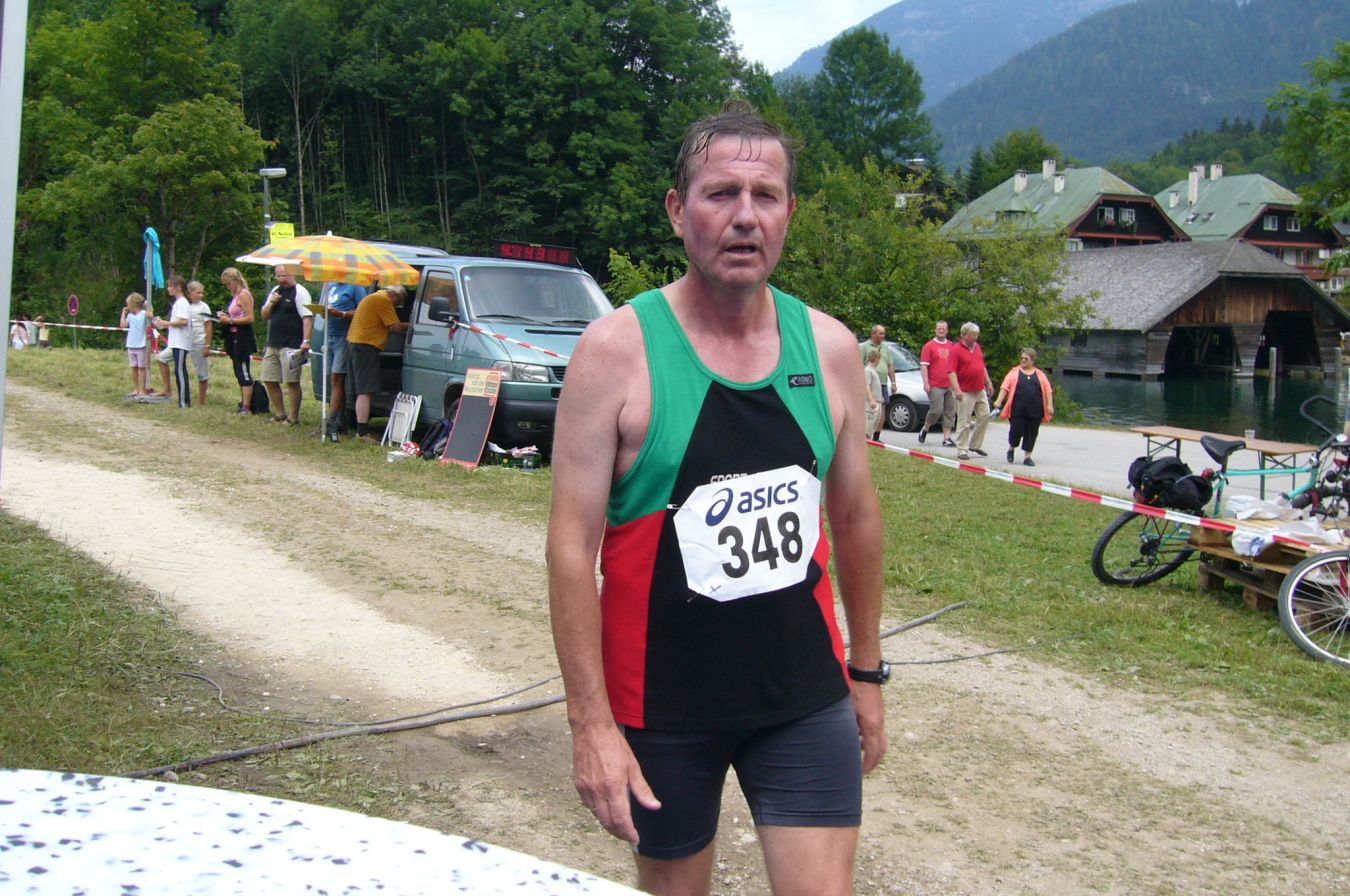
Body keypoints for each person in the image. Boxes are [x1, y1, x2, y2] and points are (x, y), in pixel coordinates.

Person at [546, 101, 887, 896]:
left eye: (765, 196)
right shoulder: (615, 352)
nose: (744, 216)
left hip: (803, 694)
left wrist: (867, 674)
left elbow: (856, 517)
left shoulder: (830, 349)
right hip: (662, 705)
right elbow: (570, 548)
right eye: (720, 193)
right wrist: (591, 724)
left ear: (789, 212)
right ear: (677, 211)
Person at [346, 285, 410, 443]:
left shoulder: (373, 297)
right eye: (398, 302)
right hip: (366, 346)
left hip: (356, 344)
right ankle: (362, 433)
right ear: (395, 295)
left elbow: (382, 326)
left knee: (362, 389)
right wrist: (412, 324)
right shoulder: (383, 300)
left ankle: (360, 429)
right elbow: (394, 326)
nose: (396, 306)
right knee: (366, 390)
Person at [259, 264, 314, 425]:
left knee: (292, 381)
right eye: (278, 276)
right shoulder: (276, 290)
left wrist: (306, 341)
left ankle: (293, 416)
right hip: (273, 343)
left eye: (284, 276)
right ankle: (280, 413)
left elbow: (307, 318)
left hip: (292, 344)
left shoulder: (300, 292)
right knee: (269, 378)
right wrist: (272, 302)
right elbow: (264, 315)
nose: (281, 279)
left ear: (293, 274)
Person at [319, 281, 368, 441]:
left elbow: (363, 312)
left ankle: (331, 421)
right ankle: (340, 420)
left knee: (337, 378)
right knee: (331, 379)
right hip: (329, 335)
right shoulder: (330, 285)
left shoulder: (355, 286)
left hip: (344, 336)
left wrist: (341, 314)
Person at [992, 348, 1055, 466]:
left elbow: (1048, 391)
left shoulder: (1040, 375)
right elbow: (1005, 387)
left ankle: (1027, 457)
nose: (1023, 360)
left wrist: (1050, 405)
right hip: (1017, 409)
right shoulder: (1014, 373)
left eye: (1026, 359)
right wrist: (999, 401)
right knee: (1016, 430)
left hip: (1035, 410)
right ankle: (1011, 448)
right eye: (1022, 358)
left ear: (1032, 360)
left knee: (1032, 433)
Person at [948, 321, 993, 461]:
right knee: (964, 420)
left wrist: (988, 382)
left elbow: (981, 366)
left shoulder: (977, 347)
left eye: (976, 335)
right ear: (964, 335)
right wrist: (957, 389)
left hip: (979, 389)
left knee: (985, 415)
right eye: (973, 335)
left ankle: (975, 445)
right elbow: (951, 371)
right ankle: (962, 449)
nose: (975, 337)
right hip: (965, 390)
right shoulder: (956, 350)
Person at [218, 267, 258, 415]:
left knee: (243, 370)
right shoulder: (235, 296)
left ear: (235, 281)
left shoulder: (244, 294)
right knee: (238, 370)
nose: (228, 287)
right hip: (233, 335)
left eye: (229, 284)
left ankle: (246, 407)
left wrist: (230, 321)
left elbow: (250, 317)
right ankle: (243, 402)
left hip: (242, 336)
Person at [152, 280, 193, 408]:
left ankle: (184, 402)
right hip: (175, 342)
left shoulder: (182, 302)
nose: (168, 288)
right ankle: (167, 390)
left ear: (178, 287)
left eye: (170, 286)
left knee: (180, 370)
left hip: (180, 342)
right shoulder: (178, 303)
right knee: (161, 358)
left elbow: (183, 321)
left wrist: (166, 323)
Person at [918, 319, 957, 447]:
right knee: (936, 410)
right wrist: (926, 383)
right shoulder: (929, 346)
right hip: (935, 384)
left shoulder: (951, 346)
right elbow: (924, 366)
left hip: (950, 384)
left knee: (950, 411)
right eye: (939, 328)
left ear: (947, 331)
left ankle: (946, 438)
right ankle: (925, 428)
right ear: (935, 330)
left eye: (943, 329)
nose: (941, 331)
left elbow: (956, 365)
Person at [185, 280, 213, 406]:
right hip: (187, 341)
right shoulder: (187, 307)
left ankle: (201, 401)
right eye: (198, 293)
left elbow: (208, 325)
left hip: (199, 342)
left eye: (202, 293)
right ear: (190, 293)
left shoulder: (204, 307)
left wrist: (207, 345)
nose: (200, 295)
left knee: (201, 372)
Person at [119, 294, 150, 396]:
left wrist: (148, 308)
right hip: (131, 344)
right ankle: (136, 389)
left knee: (142, 368)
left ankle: (142, 389)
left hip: (141, 345)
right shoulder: (130, 316)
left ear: (133, 304)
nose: (127, 306)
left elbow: (151, 317)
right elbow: (123, 325)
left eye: (128, 304)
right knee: (133, 367)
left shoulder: (144, 314)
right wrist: (123, 313)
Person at [859, 324, 895, 404]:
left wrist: (893, 383)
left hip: (883, 382)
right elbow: (859, 365)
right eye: (880, 333)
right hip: (870, 384)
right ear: (873, 334)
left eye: (884, 334)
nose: (883, 336)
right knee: (872, 406)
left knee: (883, 404)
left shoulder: (885, 347)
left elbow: (890, 365)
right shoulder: (864, 347)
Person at [864, 347, 884, 441]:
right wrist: (871, 399)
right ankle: (866, 439)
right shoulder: (868, 370)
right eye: (878, 359)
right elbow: (867, 385)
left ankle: (870, 438)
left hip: (878, 400)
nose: (879, 362)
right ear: (875, 359)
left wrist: (880, 397)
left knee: (875, 422)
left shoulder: (873, 370)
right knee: (869, 423)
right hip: (871, 402)